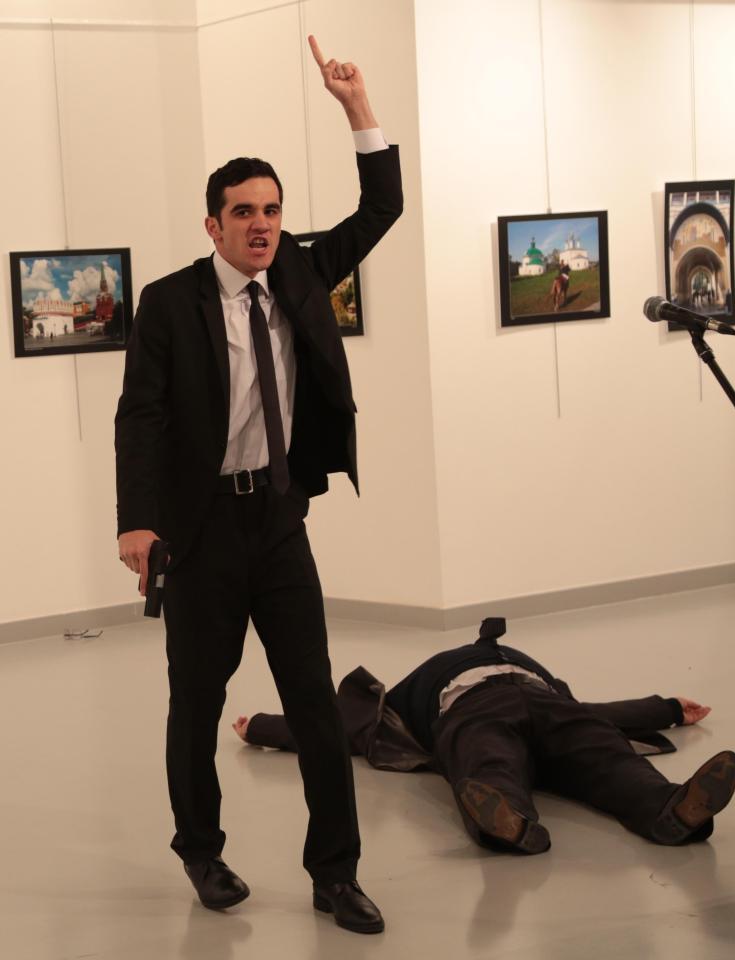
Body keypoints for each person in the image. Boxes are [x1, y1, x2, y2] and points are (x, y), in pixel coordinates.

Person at [114, 36, 402, 935]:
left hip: (278, 521)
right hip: (198, 533)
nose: (261, 225)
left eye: (272, 210)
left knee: (313, 700)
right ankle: (201, 850)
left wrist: (357, 108)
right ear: (213, 226)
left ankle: (335, 871)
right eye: (242, 213)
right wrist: (138, 524)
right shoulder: (171, 303)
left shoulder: (305, 271)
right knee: (196, 704)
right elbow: (141, 418)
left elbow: (381, 204)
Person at [235, 618, 735, 855]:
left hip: (549, 703)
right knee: (487, 756)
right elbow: (341, 726)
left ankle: (673, 809)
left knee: (604, 752)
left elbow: (594, 711)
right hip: (469, 706)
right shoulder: (436, 676)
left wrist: (668, 708)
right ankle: (508, 820)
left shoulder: (521, 665)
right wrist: (264, 727)